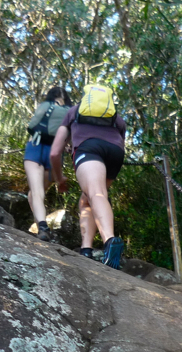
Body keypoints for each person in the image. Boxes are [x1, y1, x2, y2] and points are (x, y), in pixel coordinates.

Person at [49, 83, 126, 269]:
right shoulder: (116, 118)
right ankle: (86, 248)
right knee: (87, 200)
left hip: (89, 150)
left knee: (96, 193)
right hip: (116, 153)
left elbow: (54, 152)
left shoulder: (74, 112)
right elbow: (120, 141)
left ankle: (110, 242)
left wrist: (59, 179)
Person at [23, 86, 73, 241]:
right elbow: (68, 139)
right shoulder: (69, 112)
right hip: (53, 155)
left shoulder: (43, 107)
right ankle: (41, 229)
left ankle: (43, 226)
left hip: (34, 148)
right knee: (35, 193)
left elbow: (32, 127)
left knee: (36, 193)